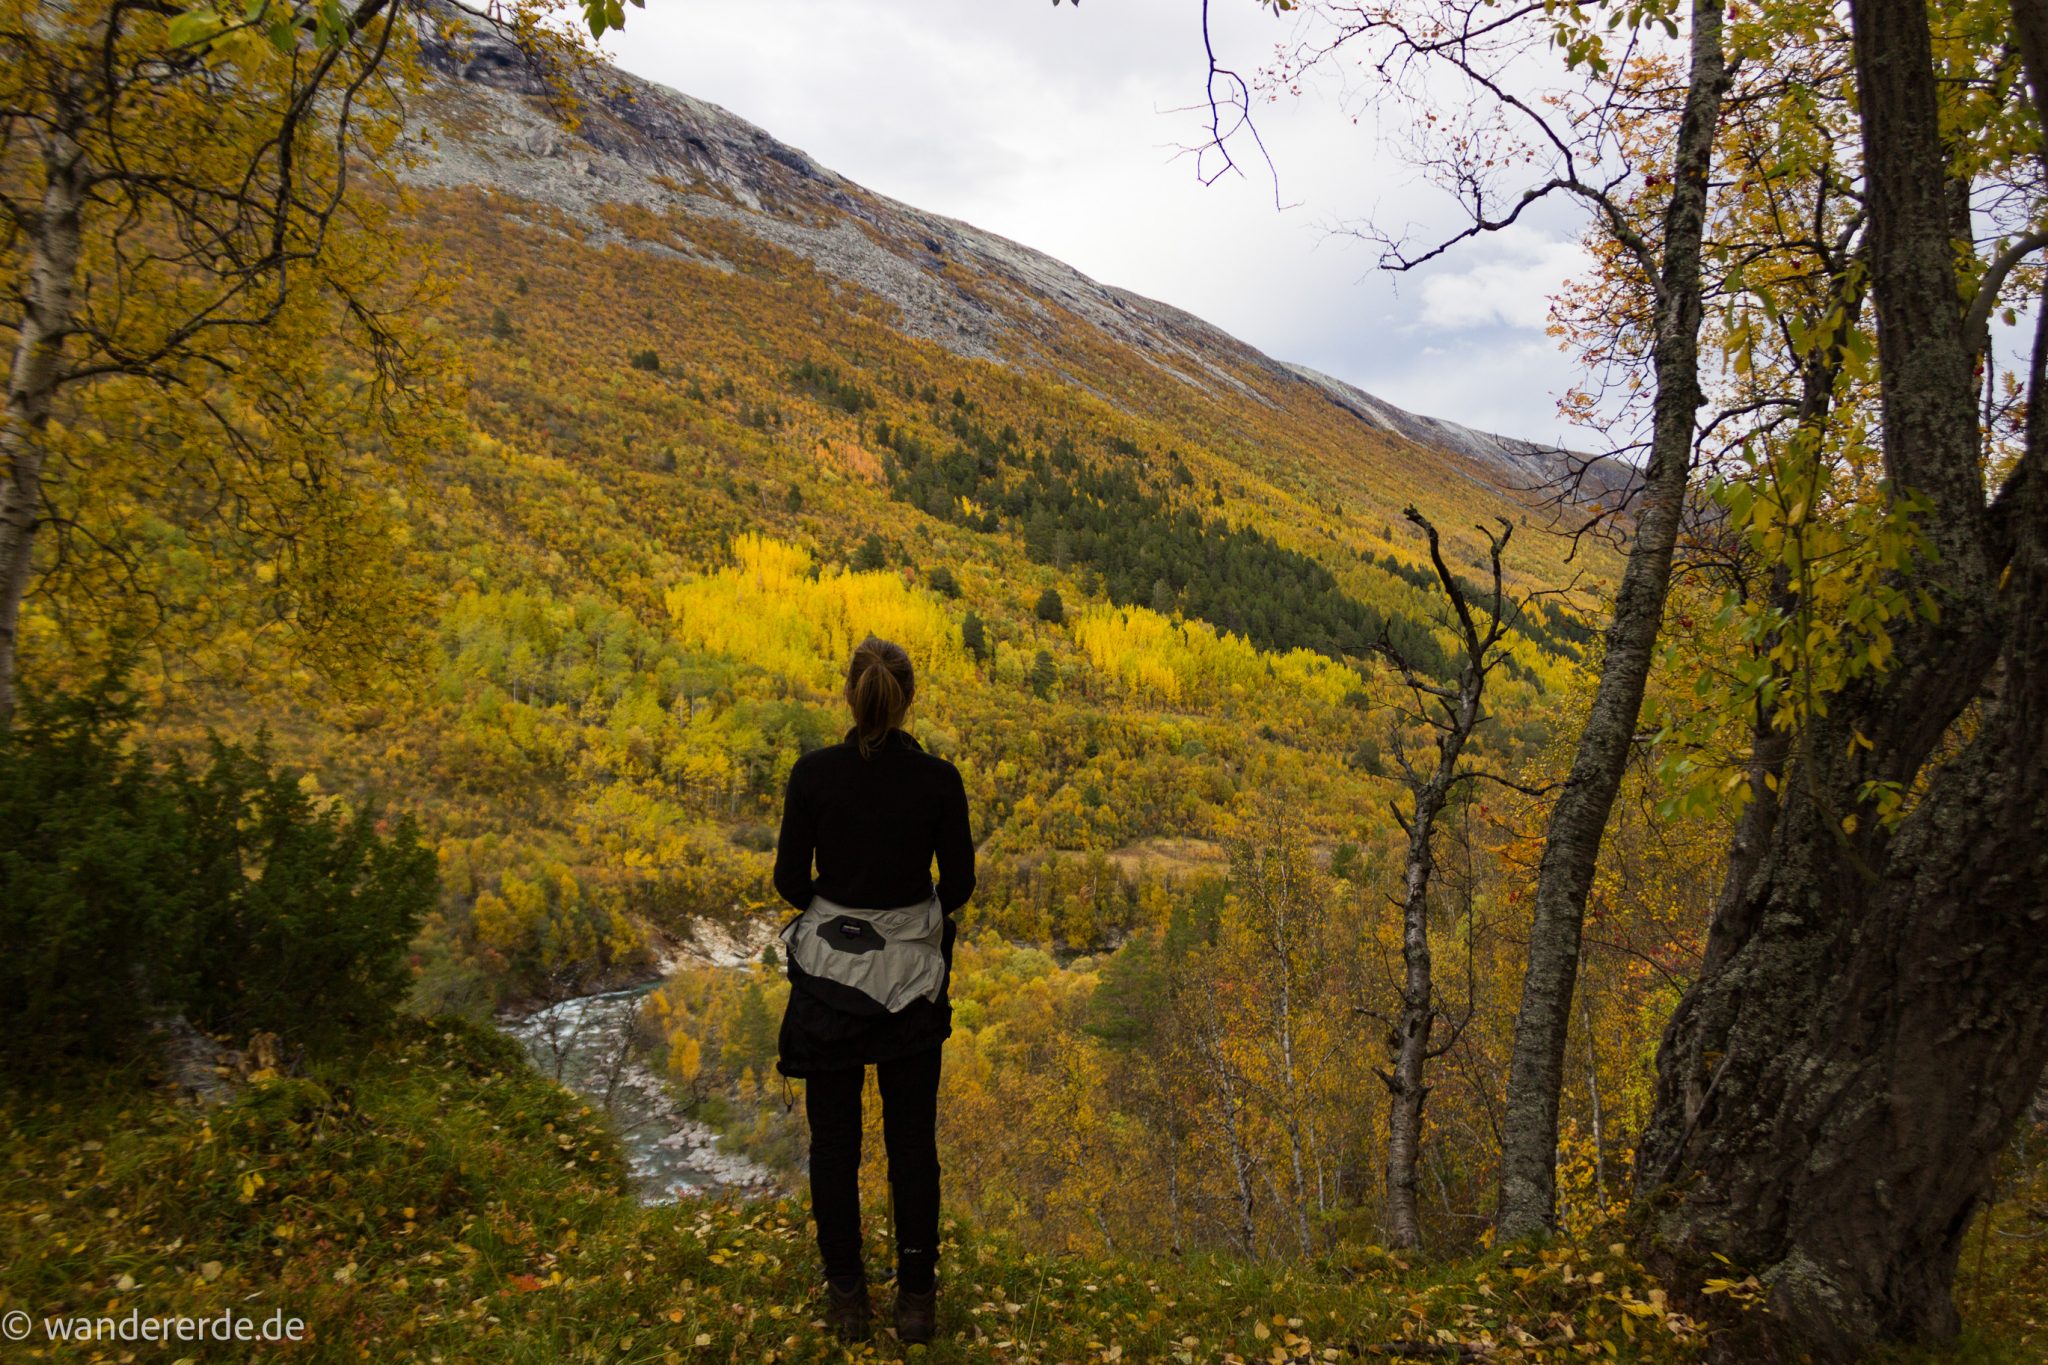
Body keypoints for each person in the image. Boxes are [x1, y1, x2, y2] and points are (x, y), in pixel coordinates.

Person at [772, 635, 975, 1345]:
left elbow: (791, 882)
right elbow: (962, 886)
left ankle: (848, 1298)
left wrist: (843, 911)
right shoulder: (938, 780)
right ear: (907, 697)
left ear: (849, 695)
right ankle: (916, 1301)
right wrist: (908, 920)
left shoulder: (814, 774)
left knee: (834, 1145)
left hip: (830, 985)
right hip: (911, 989)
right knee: (911, 1145)